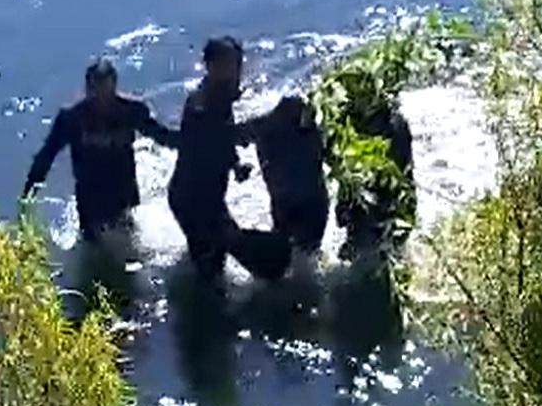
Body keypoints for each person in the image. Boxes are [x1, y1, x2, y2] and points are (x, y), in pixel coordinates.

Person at [22, 58, 179, 244]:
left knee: (129, 249)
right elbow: (46, 156)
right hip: (89, 198)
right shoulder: (71, 119)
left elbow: (162, 136)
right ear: (87, 89)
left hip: (123, 193)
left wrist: (193, 140)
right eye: (94, 90)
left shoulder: (132, 112)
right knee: (92, 251)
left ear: (114, 87)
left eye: (104, 90)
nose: (99, 98)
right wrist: (28, 194)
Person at [166, 36, 262, 283]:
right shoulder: (201, 102)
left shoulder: (222, 96)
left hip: (209, 196)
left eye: (238, 64)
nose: (236, 71)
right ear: (211, 66)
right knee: (212, 267)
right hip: (192, 199)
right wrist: (245, 132)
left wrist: (235, 163)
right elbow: (208, 136)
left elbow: (221, 138)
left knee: (221, 253)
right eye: (229, 65)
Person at [240, 94, 329, 256]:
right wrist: (235, 165)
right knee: (295, 254)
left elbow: (229, 136)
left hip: (311, 205)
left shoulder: (317, 125)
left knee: (304, 253)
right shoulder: (264, 126)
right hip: (287, 205)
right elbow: (229, 136)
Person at [334, 103, 415, 261]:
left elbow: (404, 178)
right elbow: (345, 176)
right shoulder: (348, 125)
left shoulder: (396, 125)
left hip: (386, 207)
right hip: (364, 212)